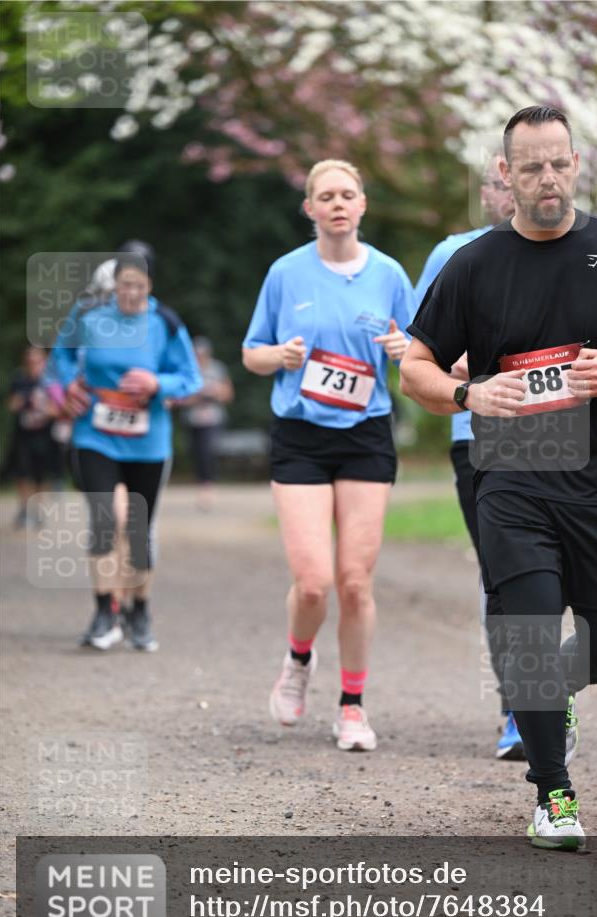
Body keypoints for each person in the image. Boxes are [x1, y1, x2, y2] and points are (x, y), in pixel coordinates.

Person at [401, 106, 597, 848]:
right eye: (530, 166)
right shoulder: (474, 265)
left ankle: (555, 694)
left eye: (557, 163)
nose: (546, 178)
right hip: (513, 474)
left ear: (575, 164)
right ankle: (554, 793)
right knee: (526, 635)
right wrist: (468, 394)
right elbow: (414, 366)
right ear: (504, 175)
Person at [243, 159, 416, 751]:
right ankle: (297, 661)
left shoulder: (390, 274)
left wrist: (403, 347)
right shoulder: (286, 273)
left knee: (354, 583)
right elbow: (251, 353)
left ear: (362, 205)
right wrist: (280, 357)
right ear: (310, 209)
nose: (338, 203)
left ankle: (352, 707)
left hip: (366, 433)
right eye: (326, 196)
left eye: (347, 194)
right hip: (301, 436)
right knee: (313, 583)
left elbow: (420, 354)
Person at [415, 154, 522, 760]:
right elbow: (416, 347)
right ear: (484, 192)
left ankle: (547, 688)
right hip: (475, 441)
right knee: (505, 577)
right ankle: (519, 709)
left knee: (575, 580)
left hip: (562, 438)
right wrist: (455, 368)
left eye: (521, 178)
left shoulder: (576, 249)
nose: (509, 191)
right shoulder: (453, 253)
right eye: (499, 181)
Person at [50, 251, 202, 651]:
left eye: (139, 285)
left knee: (137, 529)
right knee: (106, 519)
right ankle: (104, 611)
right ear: (113, 286)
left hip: (148, 442)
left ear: (150, 287)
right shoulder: (88, 316)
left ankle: (140, 611)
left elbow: (190, 378)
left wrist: (157, 384)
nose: (131, 293)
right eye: (124, 285)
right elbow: (60, 358)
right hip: (95, 436)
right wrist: (69, 385)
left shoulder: (164, 323)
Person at [177, 336, 234, 509]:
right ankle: (201, 484)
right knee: (196, 453)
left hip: (212, 418)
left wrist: (214, 393)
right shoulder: (187, 369)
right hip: (193, 419)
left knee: (208, 451)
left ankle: (208, 486)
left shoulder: (217, 369)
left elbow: (228, 394)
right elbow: (178, 397)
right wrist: (196, 397)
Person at [8, 345, 60, 527]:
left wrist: (44, 410)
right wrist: (21, 401)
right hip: (23, 434)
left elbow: (59, 409)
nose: (34, 364)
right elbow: (12, 405)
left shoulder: (51, 383)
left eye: (37, 361)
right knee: (22, 471)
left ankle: (38, 510)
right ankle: (24, 508)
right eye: (30, 361)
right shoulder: (20, 380)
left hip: (44, 435)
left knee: (41, 474)